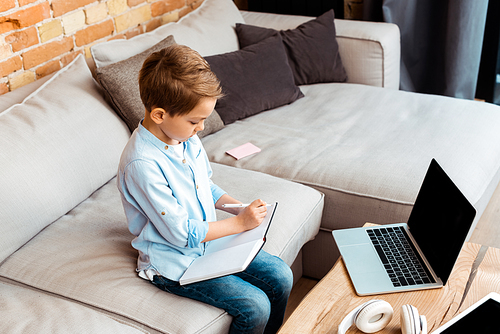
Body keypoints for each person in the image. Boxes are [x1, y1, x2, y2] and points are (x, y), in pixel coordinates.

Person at [117, 44, 293, 334]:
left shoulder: (184, 138)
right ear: (160, 115)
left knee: (280, 275)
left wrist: (238, 207)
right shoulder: (142, 164)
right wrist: (238, 224)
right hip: (174, 263)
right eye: (195, 121)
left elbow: (204, 185)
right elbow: (181, 233)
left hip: (206, 242)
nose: (201, 128)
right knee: (254, 305)